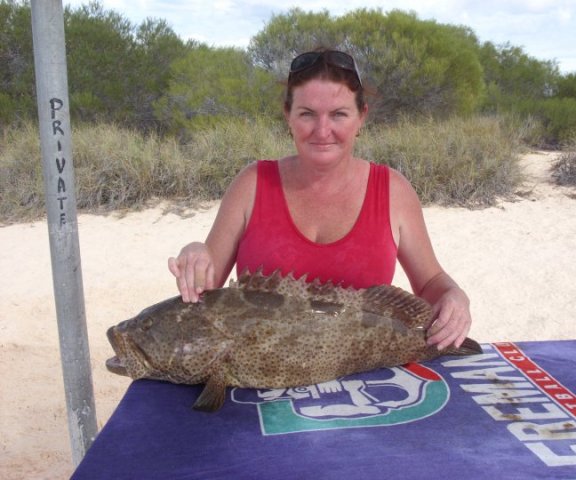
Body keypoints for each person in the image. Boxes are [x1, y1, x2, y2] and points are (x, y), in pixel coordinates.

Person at [168, 48, 471, 351]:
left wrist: (454, 296)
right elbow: (204, 293)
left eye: (339, 114)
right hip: (261, 375)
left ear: (361, 117)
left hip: (362, 372)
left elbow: (431, 283)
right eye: (307, 114)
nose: (323, 131)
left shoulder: (394, 191)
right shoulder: (252, 184)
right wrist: (195, 253)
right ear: (288, 115)